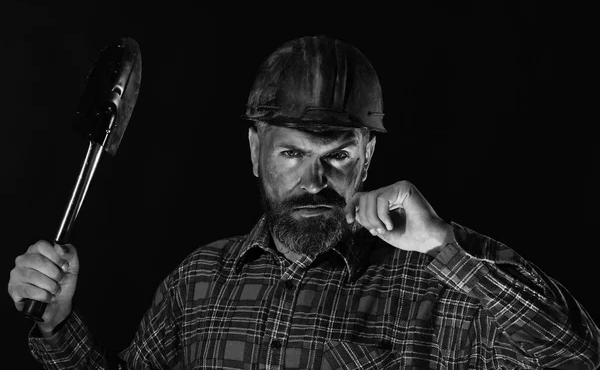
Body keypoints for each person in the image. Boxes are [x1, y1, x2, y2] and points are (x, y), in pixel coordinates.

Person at [8, 35, 600, 370]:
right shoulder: (197, 284)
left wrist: (445, 246)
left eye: (338, 155)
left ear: (367, 154)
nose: (315, 180)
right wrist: (59, 328)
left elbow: (574, 354)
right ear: (254, 148)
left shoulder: (438, 288)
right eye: (292, 153)